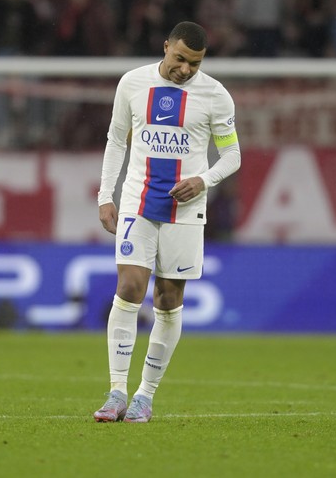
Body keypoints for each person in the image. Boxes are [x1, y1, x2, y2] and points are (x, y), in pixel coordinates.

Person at [93, 21, 241, 423]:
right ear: (165, 48)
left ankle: (145, 395)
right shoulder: (132, 83)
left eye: (194, 63)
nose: (185, 70)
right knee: (129, 287)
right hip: (137, 200)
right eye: (180, 59)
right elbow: (116, 139)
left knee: (168, 299)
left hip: (186, 208)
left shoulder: (215, 95)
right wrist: (106, 195)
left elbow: (232, 155)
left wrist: (203, 179)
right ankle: (117, 391)